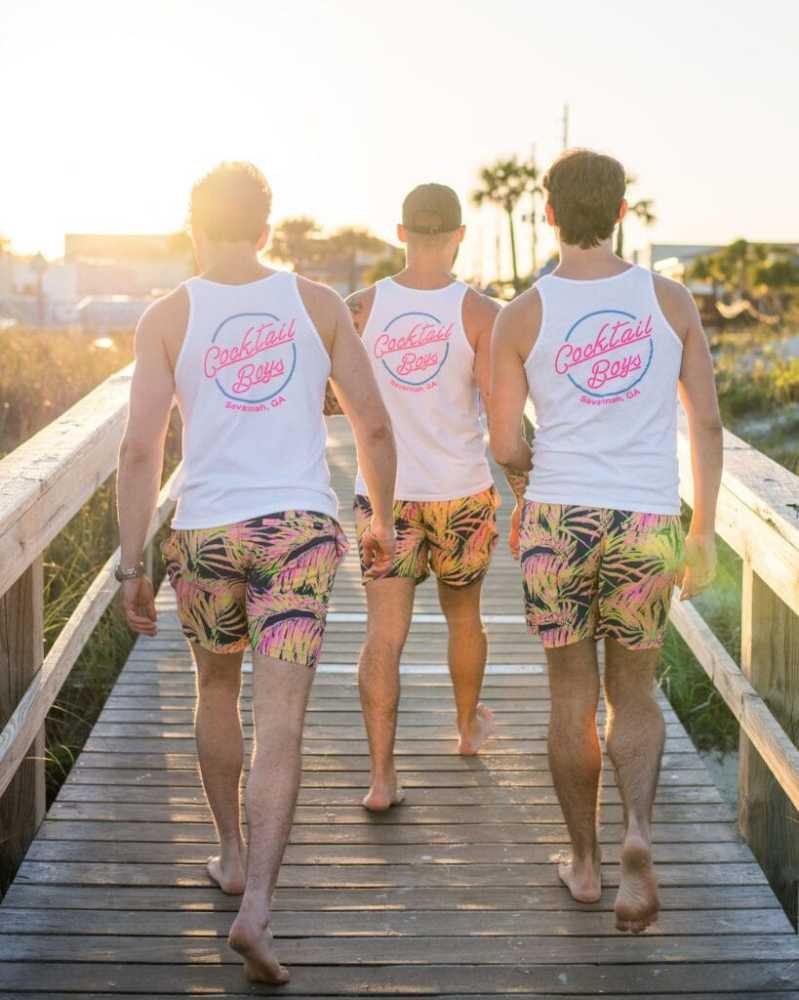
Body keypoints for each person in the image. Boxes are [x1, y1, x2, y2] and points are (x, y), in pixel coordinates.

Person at [115, 161, 397, 984]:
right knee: (281, 723)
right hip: (298, 533)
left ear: (193, 227)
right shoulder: (316, 305)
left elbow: (140, 449)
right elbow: (372, 427)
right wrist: (378, 517)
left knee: (213, 690)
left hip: (204, 533)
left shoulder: (167, 315)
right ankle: (259, 908)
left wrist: (132, 562)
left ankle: (231, 856)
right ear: (267, 228)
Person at [489, 149, 722, 933]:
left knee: (570, 697)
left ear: (548, 214)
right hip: (647, 520)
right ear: (622, 211)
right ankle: (638, 836)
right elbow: (707, 423)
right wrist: (703, 529)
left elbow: (503, 440)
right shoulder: (668, 300)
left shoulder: (519, 314)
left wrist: (527, 487)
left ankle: (585, 867)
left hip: (560, 517)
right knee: (635, 694)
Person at [326, 183, 526, 812]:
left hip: (384, 498)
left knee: (384, 633)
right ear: (460, 235)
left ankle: (382, 778)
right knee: (465, 618)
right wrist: (524, 492)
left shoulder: (358, 309)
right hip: (461, 492)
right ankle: (467, 729)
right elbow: (502, 420)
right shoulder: (482, 315)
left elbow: (335, 404)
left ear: (401, 232)